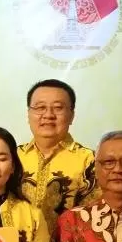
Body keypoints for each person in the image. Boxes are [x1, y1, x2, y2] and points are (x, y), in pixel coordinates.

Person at [18, 79, 96, 231]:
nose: (48, 115)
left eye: (58, 108)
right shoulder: (13, 157)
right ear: (28, 114)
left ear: (72, 115)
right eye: (40, 107)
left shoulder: (90, 160)